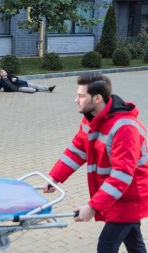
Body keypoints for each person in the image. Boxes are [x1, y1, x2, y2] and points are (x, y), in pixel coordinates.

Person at [44, 73, 148, 253]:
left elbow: (121, 177)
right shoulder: (91, 119)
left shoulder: (125, 129)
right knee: (134, 244)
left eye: (82, 96)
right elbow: (77, 150)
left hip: (129, 196)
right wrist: (55, 177)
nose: (76, 100)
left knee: (106, 246)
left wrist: (92, 207)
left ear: (98, 98)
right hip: (117, 195)